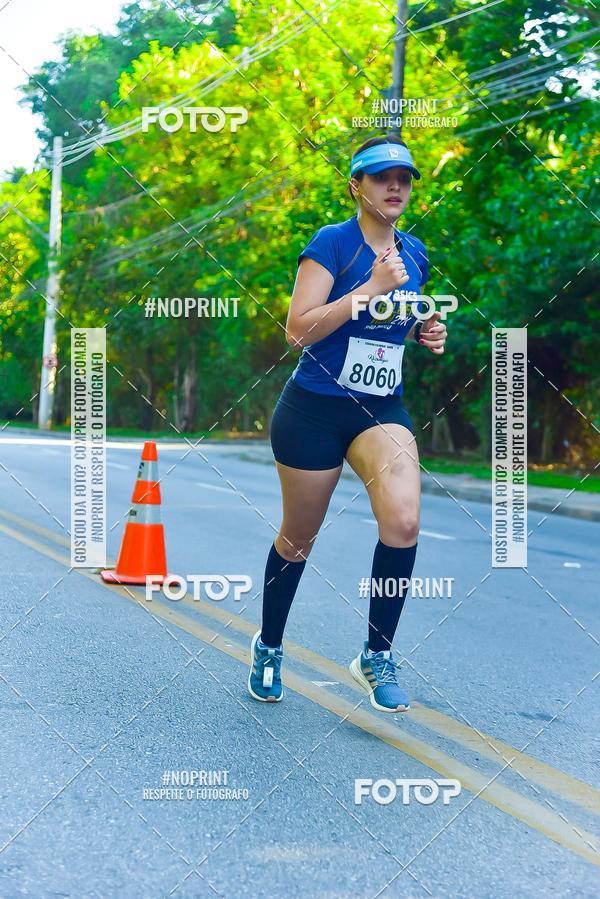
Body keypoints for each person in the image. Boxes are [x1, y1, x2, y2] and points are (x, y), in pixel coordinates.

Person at [248, 135, 447, 712]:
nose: (395, 187)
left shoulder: (416, 253)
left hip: (380, 406)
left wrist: (424, 328)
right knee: (298, 537)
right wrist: (368, 289)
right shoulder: (331, 244)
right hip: (313, 410)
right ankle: (269, 645)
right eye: (382, 177)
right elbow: (299, 330)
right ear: (356, 186)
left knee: (404, 520)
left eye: (404, 179)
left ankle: (376, 654)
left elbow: (394, 322)